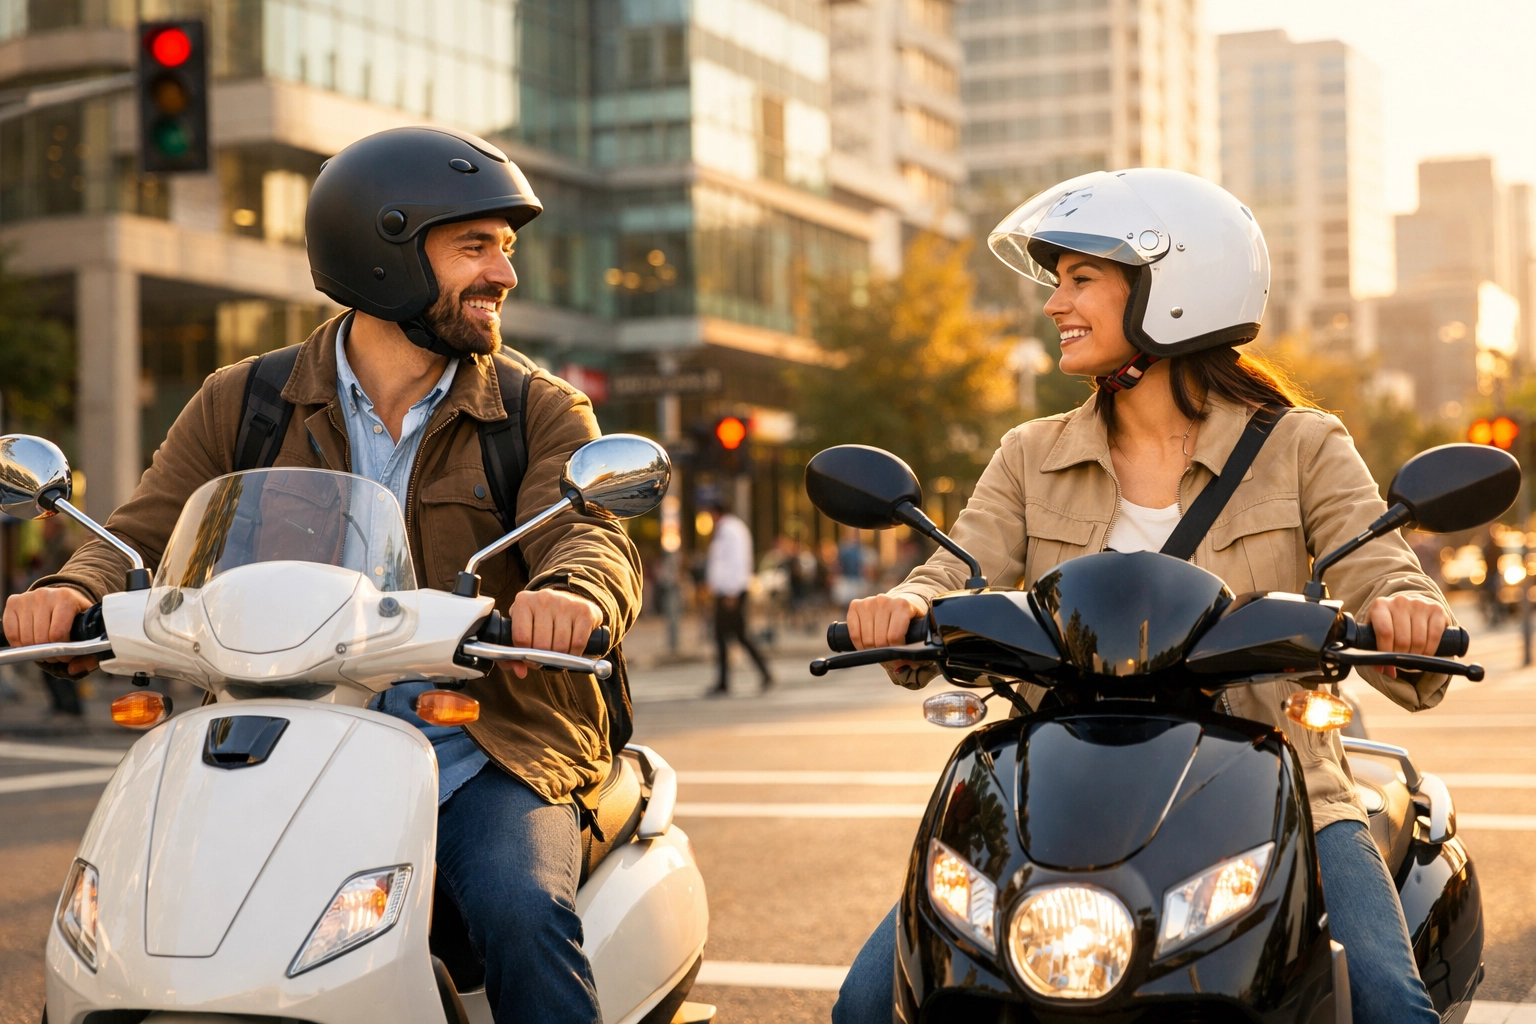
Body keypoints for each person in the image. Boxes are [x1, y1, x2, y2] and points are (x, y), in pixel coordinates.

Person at [0, 127, 641, 1024]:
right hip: (282, 741)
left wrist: (570, 598)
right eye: (475, 247)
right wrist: (67, 591)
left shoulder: (535, 410)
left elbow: (591, 536)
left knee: (520, 907)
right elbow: (140, 530)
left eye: (506, 247)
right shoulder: (245, 399)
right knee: (133, 927)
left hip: (481, 745)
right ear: (384, 253)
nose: (504, 275)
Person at [833, 169, 1450, 1024]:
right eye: (1057, 282)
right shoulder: (1029, 453)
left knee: (1388, 1003)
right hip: (1058, 794)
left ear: (1177, 290)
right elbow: (957, 568)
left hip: (1278, 783)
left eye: (1081, 279)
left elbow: (1380, 566)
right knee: (868, 1006)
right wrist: (903, 605)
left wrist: (1407, 613)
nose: (1055, 304)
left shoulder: (1302, 446)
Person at [704, 498, 773, 695]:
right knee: (736, 635)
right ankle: (760, 673)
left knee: (727, 636)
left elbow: (737, 561)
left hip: (730, 592)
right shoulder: (727, 530)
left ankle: (725, 681)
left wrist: (732, 591)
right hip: (727, 591)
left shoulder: (731, 530)